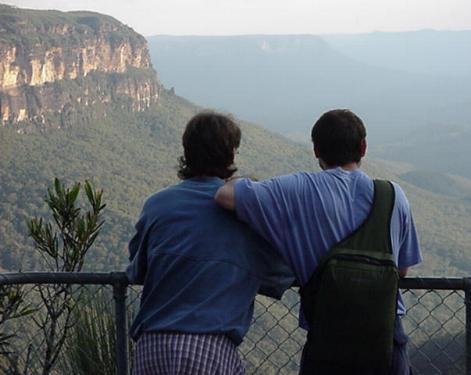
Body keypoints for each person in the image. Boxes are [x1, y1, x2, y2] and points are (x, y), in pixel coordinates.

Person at [215, 109, 422, 375]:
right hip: (386, 341)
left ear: (316, 150)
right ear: (363, 147)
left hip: (328, 343)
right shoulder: (394, 195)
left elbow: (224, 196)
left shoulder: (297, 189)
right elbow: (402, 269)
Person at [127, 112, 294, 375]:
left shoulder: (157, 205)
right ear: (232, 155)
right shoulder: (245, 214)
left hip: (151, 347)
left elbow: (137, 269)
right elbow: (282, 274)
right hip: (209, 348)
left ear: (186, 151)